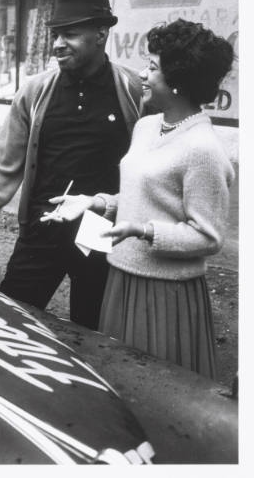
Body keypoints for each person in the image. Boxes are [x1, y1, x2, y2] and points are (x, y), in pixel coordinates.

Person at [0, 0, 143, 330]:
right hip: (41, 230)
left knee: (93, 332)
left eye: (70, 34)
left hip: (101, 233)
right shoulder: (35, 91)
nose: (58, 44)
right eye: (56, 34)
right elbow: (2, 164)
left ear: (101, 33)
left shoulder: (132, 90)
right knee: (14, 324)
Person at [40, 19, 235, 378]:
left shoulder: (203, 150)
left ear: (178, 82)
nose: (142, 75)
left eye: (153, 68)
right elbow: (141, 195)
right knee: (117, 382)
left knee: (155, 390)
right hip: (121, 277)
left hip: (164, 293)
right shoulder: (147, 127)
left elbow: (209, 237)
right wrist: (95, 202)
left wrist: (143, 231)